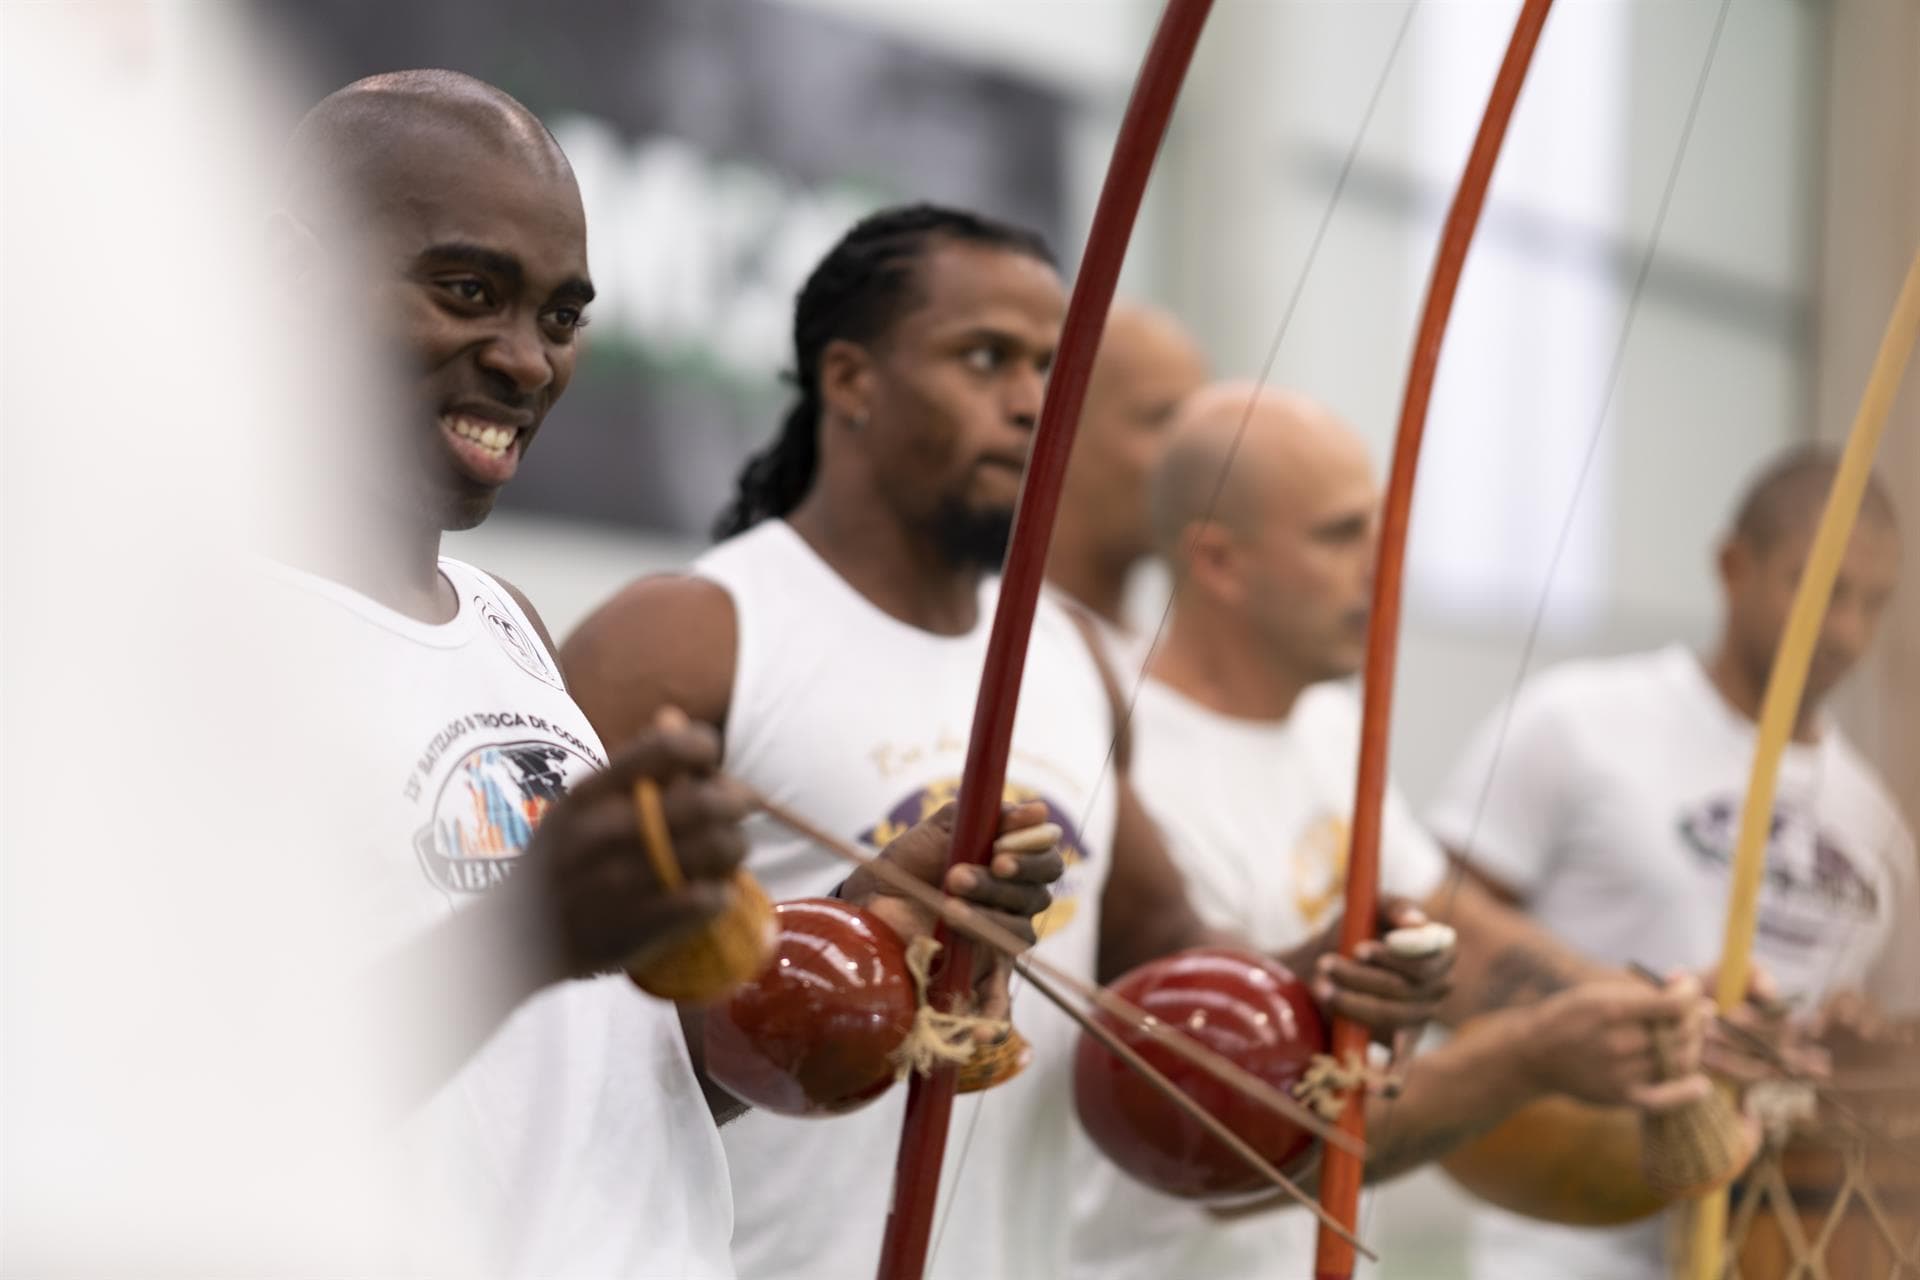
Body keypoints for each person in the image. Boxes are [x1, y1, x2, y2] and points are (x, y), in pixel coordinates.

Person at [560, 204, 1458, 1279]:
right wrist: (857, 943)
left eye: (1049, 365)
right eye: (985, 358)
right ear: (850, 381)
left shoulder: (1070, 653)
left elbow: (1157, 962)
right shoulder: (692, 635)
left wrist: (1323, 977)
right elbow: (554, 1012)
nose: (1033, 401)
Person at [265, 77, 1060, 1277]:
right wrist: (532, 932)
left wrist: (855, 927)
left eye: (564, 318)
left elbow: (618, 1082)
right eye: (468, 291)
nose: (528, 362)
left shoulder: (505, 626)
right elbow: (172, 1108)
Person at [1064, 382, 1717, 1280]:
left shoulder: (1327, 728)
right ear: (1219, 562)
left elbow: (1457, 934)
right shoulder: (1118, 763)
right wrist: (1526, 1060)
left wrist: (1671, 1012)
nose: (1386, 562)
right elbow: (1234, 1141)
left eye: (1382, 524)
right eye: (1342, 535)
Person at [1431, 443, 1920, 1279]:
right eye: (1819, 588)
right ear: (1734, 567)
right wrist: (1651, 1027)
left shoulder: (1878, 829)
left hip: (1779, 1248)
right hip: (1563, 1245)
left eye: (1873, 603)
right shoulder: (1579, 723)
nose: (1844, 632)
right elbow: (1432, 927)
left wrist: (1858, 1046)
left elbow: (1893, 1057)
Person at [1046, 298, 1211, 665]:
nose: (1195, 455)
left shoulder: (1159, 662)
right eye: (1161, 419)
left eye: (1197, 423)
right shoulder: (994, 650)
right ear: (1052, 432)